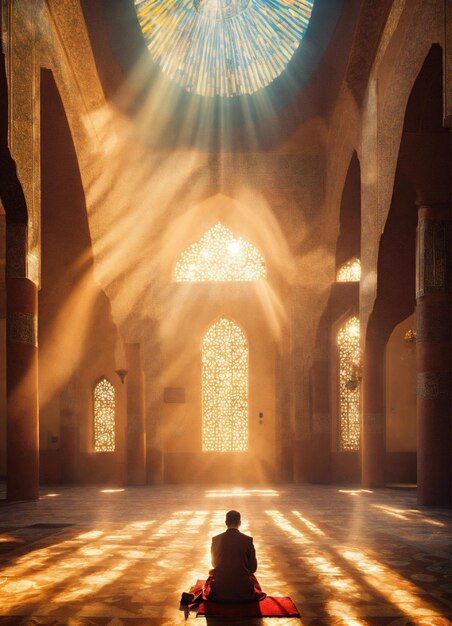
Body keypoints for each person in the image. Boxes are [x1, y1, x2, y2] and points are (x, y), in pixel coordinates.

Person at [202, 510, 266, 603]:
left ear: (226, 523)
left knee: (211, 575)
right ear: (240, 523)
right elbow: (253, 568)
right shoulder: (247, 540)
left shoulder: (216, 540)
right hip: (243, 590)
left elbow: (214, 563)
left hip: (220, 590)